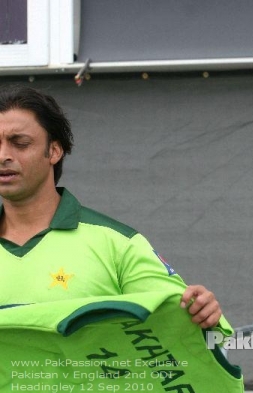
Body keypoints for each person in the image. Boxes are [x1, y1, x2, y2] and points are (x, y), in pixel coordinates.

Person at [0, 85, 222, 328]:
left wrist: (204, 314)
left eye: (19, 143)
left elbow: (192, 332)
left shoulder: (117, 243)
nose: (3, 155)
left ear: (54, 151)